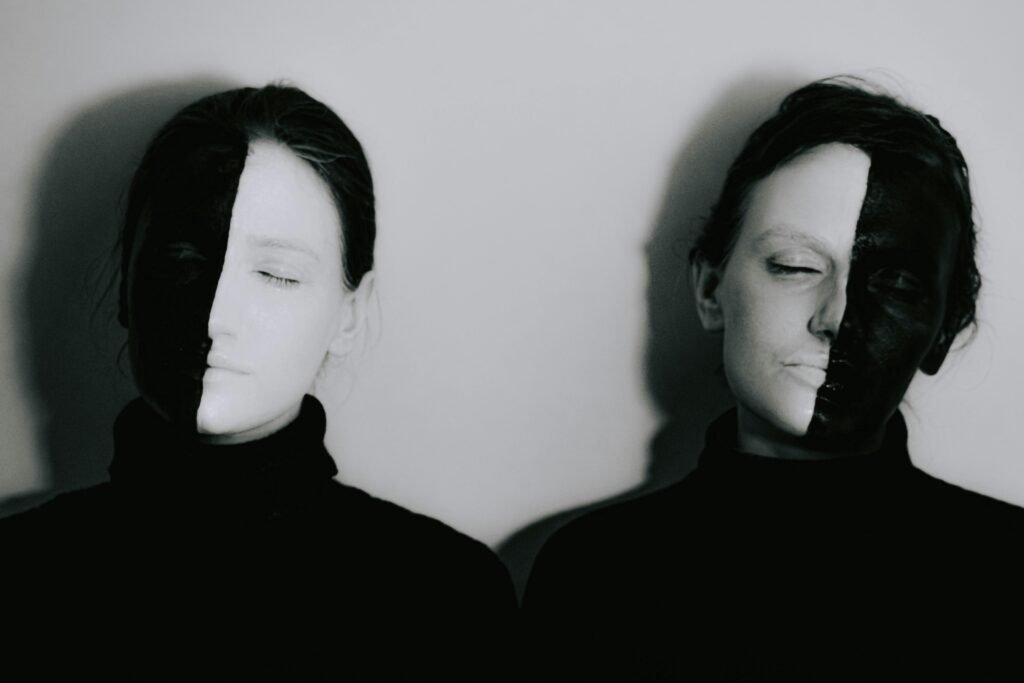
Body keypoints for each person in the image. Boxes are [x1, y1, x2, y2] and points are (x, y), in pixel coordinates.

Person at [2, 85, 514, 673]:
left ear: (349, 313)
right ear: (126, 284)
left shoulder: (445, 596)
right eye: (180, 262)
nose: (215, 317)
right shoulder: (16, 574)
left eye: (276, 274)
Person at [524, 78, 1024, 679]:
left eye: (895, 286)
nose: (836, 317)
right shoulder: (592, 574)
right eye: (795, 266)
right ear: (711, 290)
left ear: (942, 333)